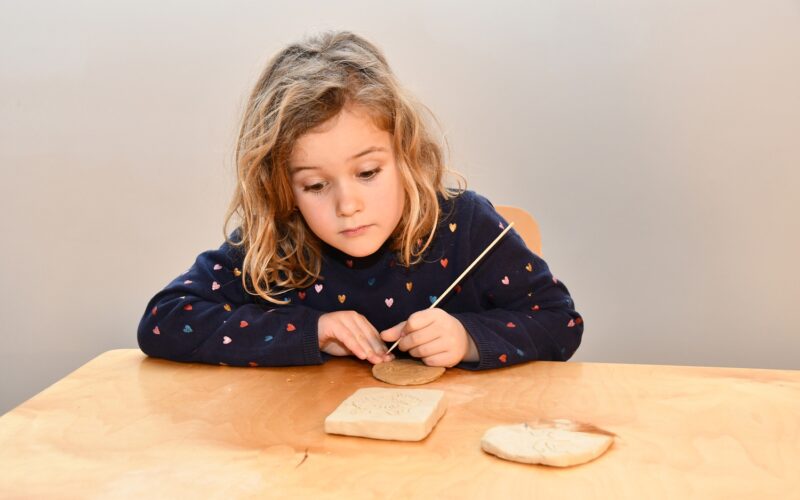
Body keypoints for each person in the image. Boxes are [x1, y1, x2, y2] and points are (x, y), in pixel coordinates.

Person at [137, 30, 583, 370]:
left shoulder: (464, 225)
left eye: (368, 173)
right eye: (315, 186)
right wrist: (310, 331)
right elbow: (164, 321)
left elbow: (560, 323)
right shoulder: (274, 242)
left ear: (406, 154)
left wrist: (468, 338)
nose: (347, 204)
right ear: (282, 189)